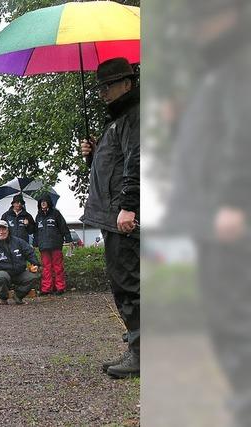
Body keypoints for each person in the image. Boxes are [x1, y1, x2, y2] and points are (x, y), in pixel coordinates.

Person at [164, 1, 251, 423]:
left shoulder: (238, 66)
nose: (197, 29)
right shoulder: (215, 72)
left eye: (205, 18)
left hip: (227, 217)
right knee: (221, 318)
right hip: (208, 214)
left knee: (234, 320)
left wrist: (234, 201)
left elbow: (242, 135)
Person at [79, 57, 140, 378]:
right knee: (123, 282)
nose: (103, 92)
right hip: (113, 214)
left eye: (108, 85)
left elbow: (138, 163)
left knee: (129, 282)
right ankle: (136, 345)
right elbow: (110, 171)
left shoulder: (135, 118)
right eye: (100, 86)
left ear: (127, 84)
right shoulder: (118, 121)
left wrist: (129, 206)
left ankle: (142, 353)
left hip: (123, 215)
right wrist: (93, 156)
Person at [33, 196, 72, 296]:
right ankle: (46, 289)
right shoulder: (38, 217)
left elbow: (63, 227)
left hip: (56, 245)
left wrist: (69, 239)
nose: (43, 203)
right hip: (43, 246)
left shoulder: (56, 214)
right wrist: (35, 243)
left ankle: (60, 288)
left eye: (45, 201)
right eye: (41, 202)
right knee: (46, 268)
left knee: (58, 267)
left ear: (49, 203)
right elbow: (36, 232)